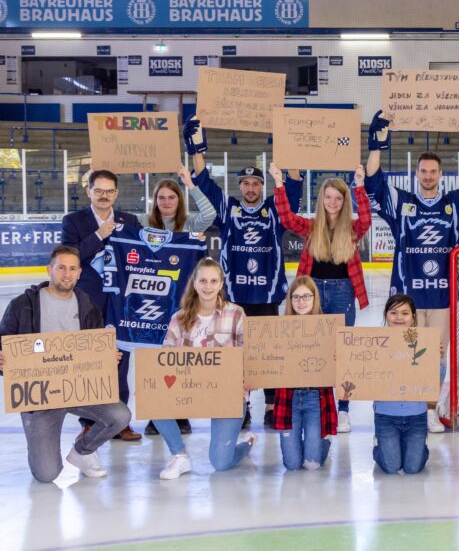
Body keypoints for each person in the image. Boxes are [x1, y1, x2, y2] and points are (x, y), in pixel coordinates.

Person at [364, 111, 459, 433]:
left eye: (432, 171)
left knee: (434, 356)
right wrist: (376, 144)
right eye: (422, 171)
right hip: (405, 299)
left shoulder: (454, 203)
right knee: (402, 351)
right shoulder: (403, 202)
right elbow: (373, 183)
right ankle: (402, 404)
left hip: (441, 297)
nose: (427, 175)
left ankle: (429, 409)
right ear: (416, 174)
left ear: (440, 173)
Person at [186, 117, 302, 428]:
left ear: (262, 187)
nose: (251, 188)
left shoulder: (274, 210)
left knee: (268, 354)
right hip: (234, 299)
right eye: (246, 184)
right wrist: (197, 146)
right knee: (236, 355)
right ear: (239, 186)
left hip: (266, 298)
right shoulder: (229, 208)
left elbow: (292, 193)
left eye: (256, 184)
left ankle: (271, 405)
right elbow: (204, 183)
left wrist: (294, 149)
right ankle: (242, 404)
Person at [0, 245, 132, 482]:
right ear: (49, 270)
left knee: (120, 415)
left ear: (80, 273)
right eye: (61, 268)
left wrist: (106, 358)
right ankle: (41, 449)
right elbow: (4, 344)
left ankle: (83, 451)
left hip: (77, 390)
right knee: (47, 474)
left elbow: (94, 351)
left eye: (72, 269)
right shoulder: (23, 305)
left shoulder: (88, 307)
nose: (67, 274)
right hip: (39, 397)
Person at [272, 163, 372, 432]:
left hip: (342, 292)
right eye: (328, 197)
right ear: (321, 200)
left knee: (341, 352)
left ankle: (344, 409)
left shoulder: (352, 229)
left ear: (344, 201)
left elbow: (366, 220)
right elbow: (286, 219)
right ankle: (316, 400)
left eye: (338, 198)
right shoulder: (311, 226)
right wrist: (280, 184)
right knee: (311, 348)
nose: (333, 202)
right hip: (312, 291)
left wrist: (360, 186)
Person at [153, 258, 257, 480]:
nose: (207, 286)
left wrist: (245, 381)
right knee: (151, 398)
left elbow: (249, 355)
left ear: (221, 284)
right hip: (191, 390)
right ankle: (179, 455)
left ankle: (246, 443)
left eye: (213, 281)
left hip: (227, 393)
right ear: (195, 283)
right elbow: (166, 356)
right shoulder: (179, 318)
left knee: (220, 463)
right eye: (203, 281)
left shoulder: (236, 314)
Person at [61, 169, 142, 441]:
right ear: (89, 191)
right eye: (99, 190)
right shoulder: (73, 221)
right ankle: (89, 421)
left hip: (121, 303)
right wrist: (98, 235)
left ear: (116, 193)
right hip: (88, 303)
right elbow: (69, 257)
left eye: (109, 191)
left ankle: (121, 421)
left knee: (121, 361)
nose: (104, 195)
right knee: (91, 362)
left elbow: (143, 258)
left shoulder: (130, 220)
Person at [138, 168, 217, 437]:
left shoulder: (191, 224)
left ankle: (180, 413)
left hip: (182, 304)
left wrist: (190, 184)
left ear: (179, 200)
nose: (166, 202)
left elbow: (211, 215)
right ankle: (156, 414)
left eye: (172, 197)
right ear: (155, 200)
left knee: (180, 360)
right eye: (161, 197)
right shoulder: (143, 224)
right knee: (154, 361)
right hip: (150, 303)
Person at [271, 277, 337, 471]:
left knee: (312, 464)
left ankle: (321, 440)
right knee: (291, 464)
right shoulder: (278, 330)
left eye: (306, 296)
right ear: (290, 300)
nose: (301, 302)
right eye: (296, 297)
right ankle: (310, 441)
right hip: (288, 398)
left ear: (314, 298)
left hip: (314, 397)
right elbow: (267, 362)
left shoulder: (327, 328)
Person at [372, 294, 432, 475]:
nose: (399, 317)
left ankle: (419, 446)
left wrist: (438, 359)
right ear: (386, 315)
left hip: (416, 416)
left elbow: (435, 379)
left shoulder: (425, 342)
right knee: (391, 467)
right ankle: (379, 446)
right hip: (386, 415)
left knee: (413, 468)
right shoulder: (374, 343)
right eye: (393, 312)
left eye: (405, 313)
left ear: (413, 317)